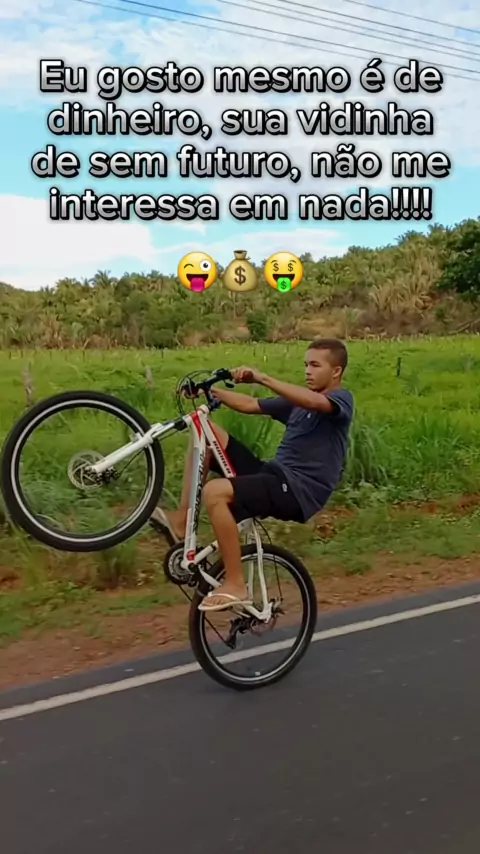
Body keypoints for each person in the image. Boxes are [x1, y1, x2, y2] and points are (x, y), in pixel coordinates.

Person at [151, 337, 354, 612]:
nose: (307, 371)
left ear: (336, 371)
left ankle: (236, 584)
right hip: (273, 474)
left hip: (297, 492)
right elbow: (250, 404)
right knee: (205, 433)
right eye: (306, 364)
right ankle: (182, 520)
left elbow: (316, 402)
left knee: (215, 492)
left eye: (315, 365)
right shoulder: (296, 404)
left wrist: (262, 377)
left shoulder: (340, 400)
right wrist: (209, 391)